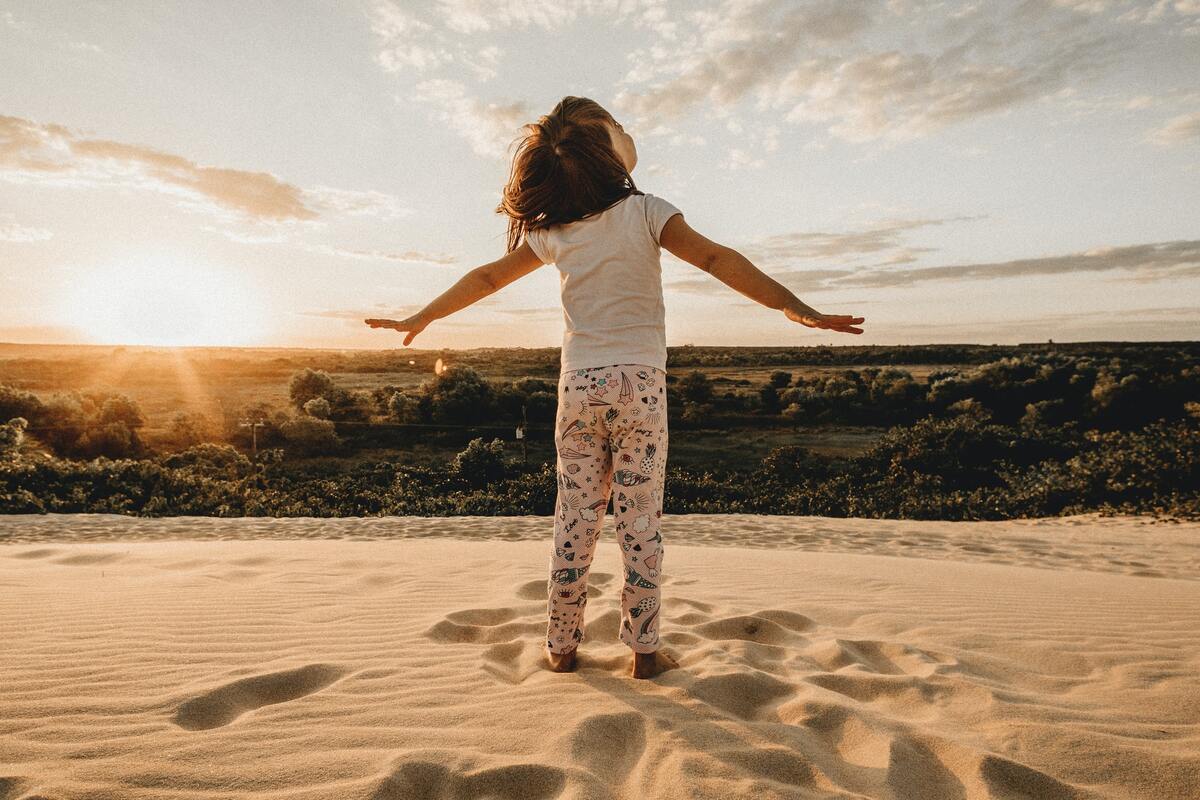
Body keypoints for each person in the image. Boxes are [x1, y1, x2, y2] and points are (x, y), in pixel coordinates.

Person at [365, 95, 865, 680]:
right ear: (608, 152)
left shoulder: (555, 231)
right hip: (640, 386)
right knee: (640, 521)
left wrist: (423, 316)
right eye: (620, 128)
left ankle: (560, 647)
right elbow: (715, 257)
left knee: (574, 518)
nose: (630, 133)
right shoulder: (648, 212)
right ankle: (645, 652)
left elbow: (486, 276)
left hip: (579, 386)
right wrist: (793, 307)